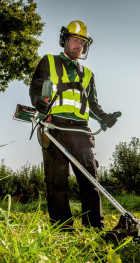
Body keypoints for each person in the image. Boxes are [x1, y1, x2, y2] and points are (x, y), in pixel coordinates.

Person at [29, 20, 119, 230]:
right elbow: (35, 89)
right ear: (64, 40)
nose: (78, 45)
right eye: (74, 39)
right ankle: (62, 229)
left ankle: (94, 227)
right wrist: (38, 102)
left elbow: (93, 103)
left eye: (82, 42)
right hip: (54, 128)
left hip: (80, 130)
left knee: (90, 179)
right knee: (56, 181)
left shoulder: (88, 74)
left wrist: (105, 117)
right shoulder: (47, 62)